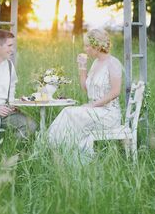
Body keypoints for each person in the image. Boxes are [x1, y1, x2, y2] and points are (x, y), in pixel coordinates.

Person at [48, 28, 122, 157]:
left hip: (108, 114)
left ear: (97, 46)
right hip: (94, 110)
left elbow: (115, 92)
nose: (85, 48)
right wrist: (82, 67)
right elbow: (86, 88)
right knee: (68, 112)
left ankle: (55, 148)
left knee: (70, 112)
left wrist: (92, 105)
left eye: (87, 46)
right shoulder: (96, 63)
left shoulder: (113, 63)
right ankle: (59, 150)